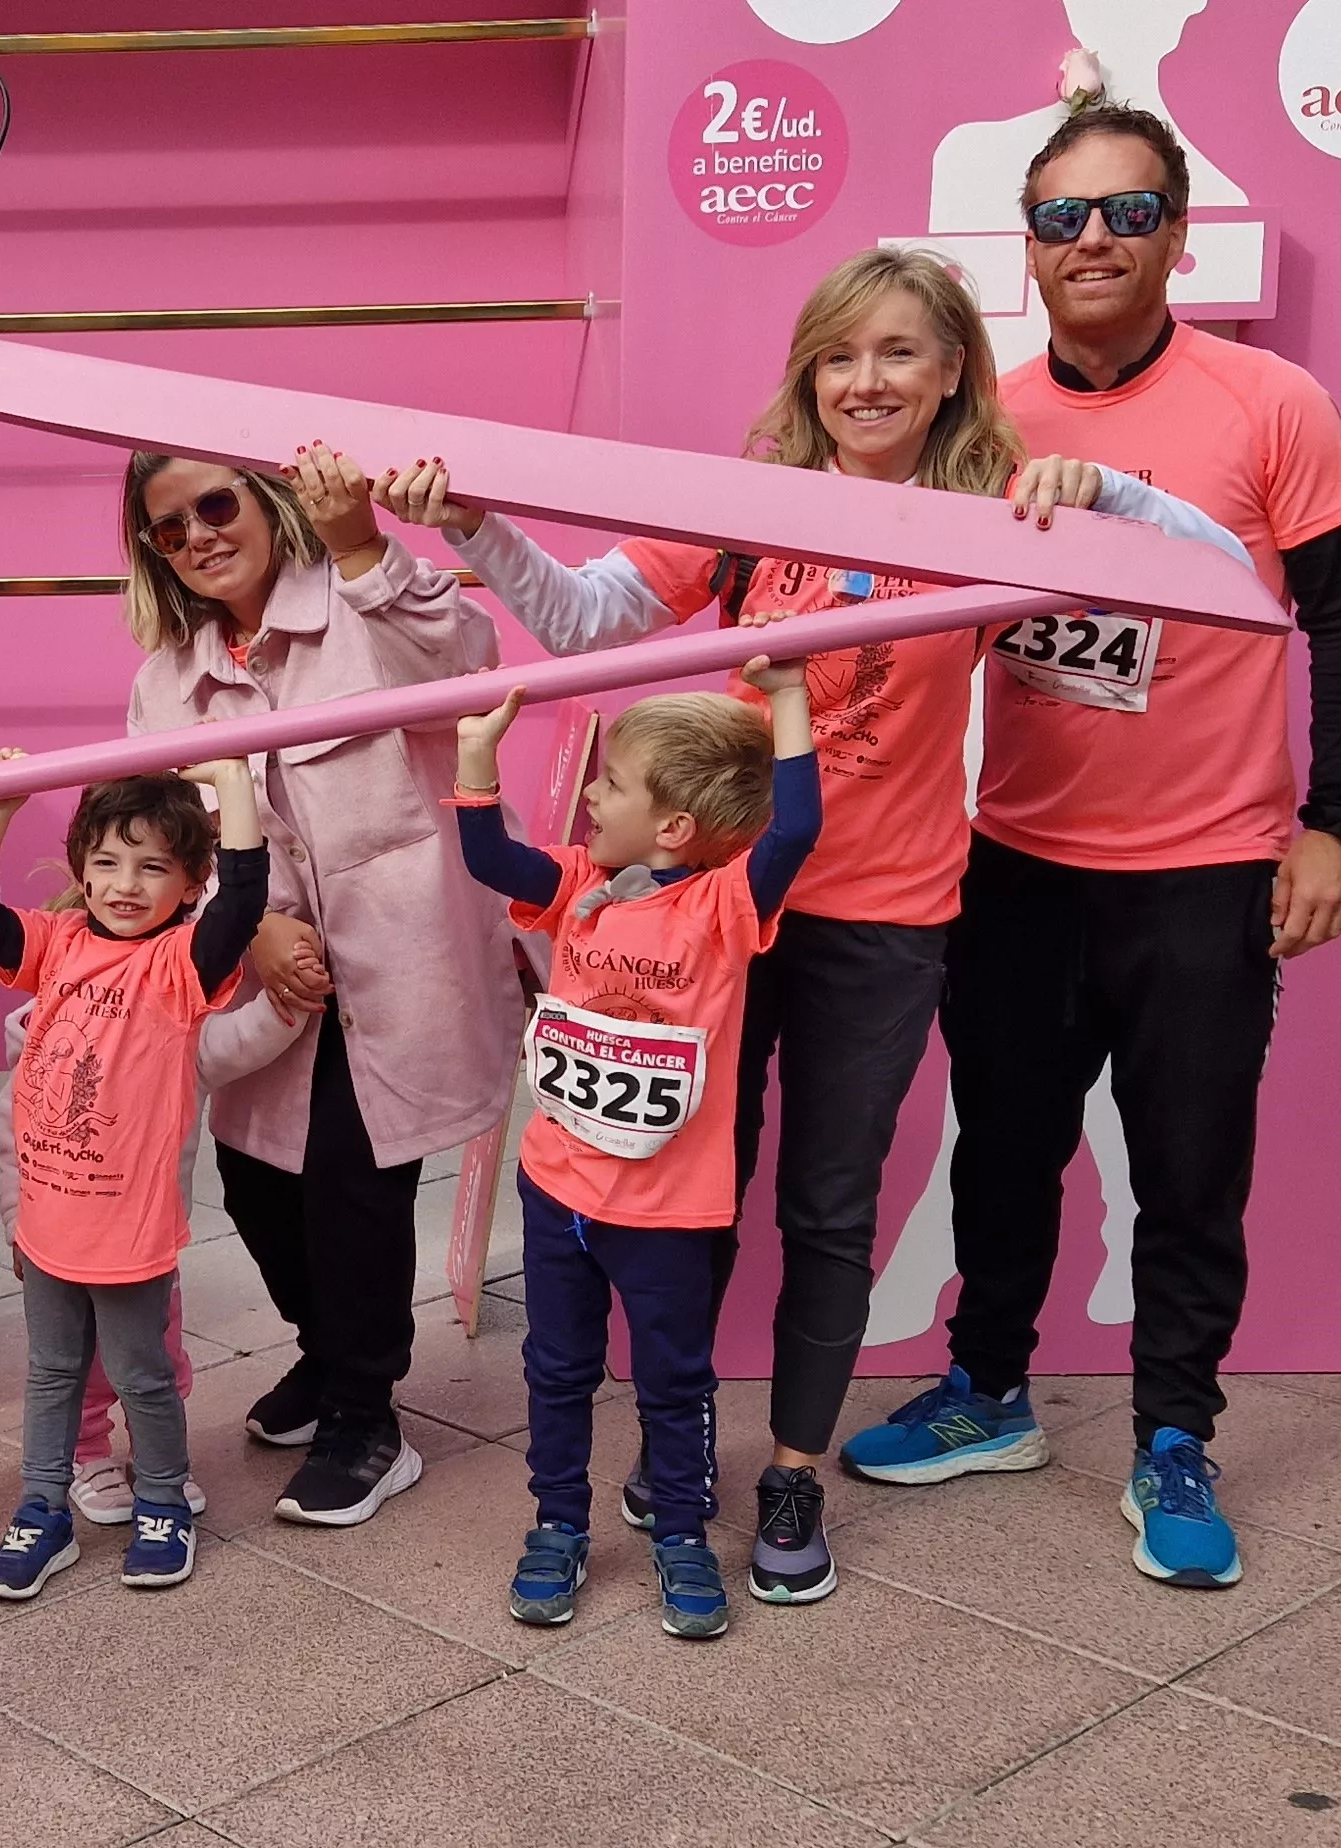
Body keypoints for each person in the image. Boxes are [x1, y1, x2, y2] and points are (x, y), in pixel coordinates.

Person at [403, 246, 1244, 1604]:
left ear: (951, 369)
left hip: (883, 920)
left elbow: (1217, 583)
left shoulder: (989, 520)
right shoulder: (748, 508)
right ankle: (678, 1444)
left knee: (829, 1211)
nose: (867, 380)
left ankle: (789, 1465)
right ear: (807, 371)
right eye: (841, 353)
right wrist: (473, 526)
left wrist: (1114, 492)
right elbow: (578, 618)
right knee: (692, 1197)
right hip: (710, 918)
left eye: (899, 351)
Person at [837, 105, 1341, 1593]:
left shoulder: (1266, 402)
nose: (1091, 240)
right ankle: (989, 1391)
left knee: (1187, 1166)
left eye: (1124, 213)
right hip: (1016, 856)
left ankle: (1169, 1434)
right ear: (1023, 246)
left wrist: (1334, 822)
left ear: (1177, 233)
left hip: (1204, 864)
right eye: (1062, 217)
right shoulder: (983, 421)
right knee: (1002, 1150)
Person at [121, 444, 512, 1527]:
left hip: (401, 957)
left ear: (267, 503)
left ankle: (364, 1415)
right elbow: (169, 841)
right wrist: (253, 936)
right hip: (270, 972)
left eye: (215, 503)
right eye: (169, 526)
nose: (198, 533)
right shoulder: (167, 683)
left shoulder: (363, 599)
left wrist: (363, 548)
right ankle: (323, 1347)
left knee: (354, 1178)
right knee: (255, 1180)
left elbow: (468, 658)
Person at [457, 663, 819, 1642]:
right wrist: (475, 755)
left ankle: (681, 1537)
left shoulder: (723, 907)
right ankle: (557, 1524)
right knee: (555, 1367)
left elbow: (793, 831)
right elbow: (490, 858)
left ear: (672, 828)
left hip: (665, 1207)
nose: (589, 793)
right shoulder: (579, 884)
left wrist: (787, 698)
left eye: (611, 783)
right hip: (558, 1184)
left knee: (670, 1378)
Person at [0, 760, 266, 1598]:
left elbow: (241, 901)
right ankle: (42, 1508)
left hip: (128, 1224)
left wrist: (232, 781)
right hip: (48, 1217)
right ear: (81, 866)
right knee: (51, 1372)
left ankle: (162, 1499)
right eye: (108, 862)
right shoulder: (56, 945)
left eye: (154, 866)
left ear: (190, 882)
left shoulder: (182, 966)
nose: (125, 884)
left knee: (141, 1375)